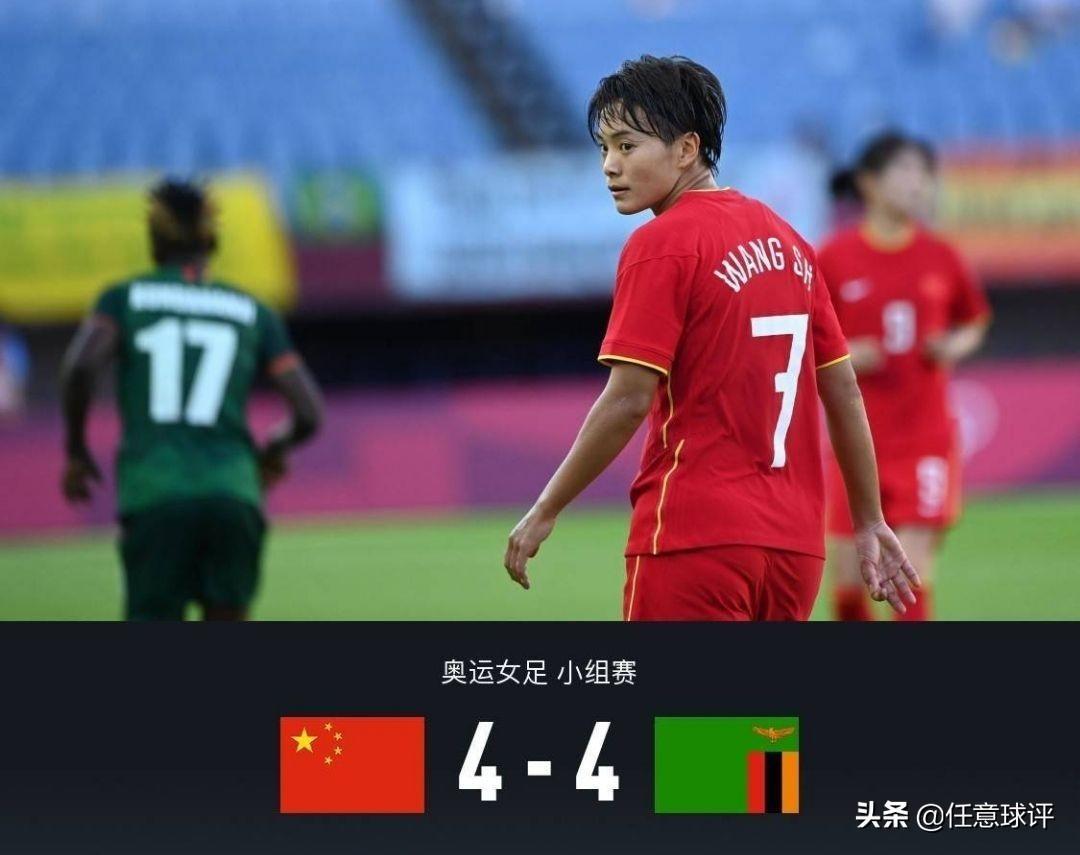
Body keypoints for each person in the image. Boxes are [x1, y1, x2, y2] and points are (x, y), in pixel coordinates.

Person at [503, 56, 918, 620]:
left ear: (686, 149)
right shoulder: (791, 242)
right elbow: (843, 389)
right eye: (604, 148)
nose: (609, 165)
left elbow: (627, 401)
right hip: (794, 551)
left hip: (693, 537)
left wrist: (546, 508)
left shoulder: (662, 244)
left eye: (627, 146)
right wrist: (869, 519)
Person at [59, 179, 323, 620]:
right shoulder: (253, 311)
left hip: (156, 489)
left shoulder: (124, 299)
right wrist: (274, 450)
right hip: (233, 493)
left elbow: (81, 367)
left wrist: (76, 449)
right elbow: (309, 413)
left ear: (154, 242)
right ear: (212, 242)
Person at [819, 132, 990, 622]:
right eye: (906, 172)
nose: (918, 184)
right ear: (869, 183)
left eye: (924, 173)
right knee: (850, 586)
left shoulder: (941, 255)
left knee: (909, 577)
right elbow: (805, 337)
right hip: (856, 443)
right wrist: (845, 353)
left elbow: (975, 320)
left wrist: (953, 346)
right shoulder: (833, 257)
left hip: (925, 440)